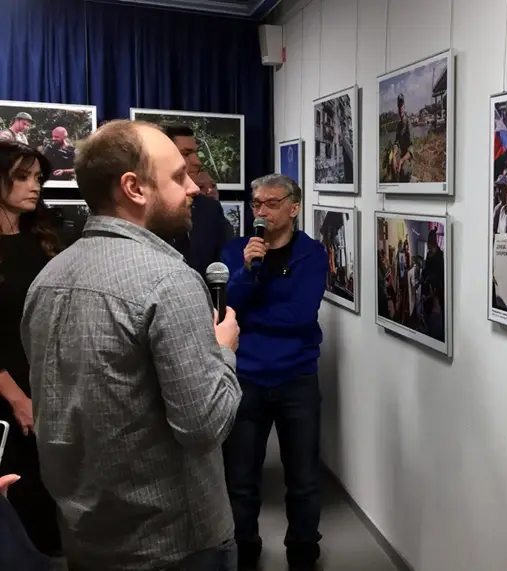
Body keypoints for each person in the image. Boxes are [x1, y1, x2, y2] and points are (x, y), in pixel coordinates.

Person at [20, 120, 243, 571]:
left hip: (85, 537)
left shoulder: (47, 279)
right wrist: (224, 349)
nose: (194, 188)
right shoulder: (170, 281)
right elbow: (205, 427)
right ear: (134, 188)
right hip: (175, 545)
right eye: (178, 177)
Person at [221, 174, 328, 571]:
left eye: (271, 203)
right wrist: (249, 270)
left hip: (296, 378)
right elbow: (225, 308)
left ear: (294, 207)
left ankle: (302, 551)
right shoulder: (235, 251)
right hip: (245, 377)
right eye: (256, 204)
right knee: (241, 478)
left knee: (303, 477)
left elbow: (300, 316)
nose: (261, 212)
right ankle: (244, 549)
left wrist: (250, 316)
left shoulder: (312, 254)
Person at [0, 141, 62, 559]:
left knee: (47, 498)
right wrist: (16, 396)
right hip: (8, 391)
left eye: (38, 178)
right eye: (22, 177)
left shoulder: (44, 239)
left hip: (46, 383)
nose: (34, 186)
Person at [162, 123, 231, 278]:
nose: (197, 161)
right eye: (186, 153)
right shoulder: (144, 208)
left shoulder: (210, 209)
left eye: (195, 152)